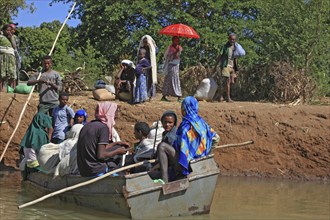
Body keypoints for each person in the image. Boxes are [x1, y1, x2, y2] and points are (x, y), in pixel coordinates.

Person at [158, 96, 219, 183]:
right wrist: (206, 154)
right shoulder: (202, 123)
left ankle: (165, 180)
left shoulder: (185, 125)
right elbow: (216, 138)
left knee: (162, 147)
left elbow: (179, 146)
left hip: (188, 164)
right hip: (199, 162)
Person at [77, 102, 129, 177]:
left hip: (83, 170)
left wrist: (115, 143)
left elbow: (96, 148)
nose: (116, 116)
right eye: (114, 112)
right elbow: (101, 155)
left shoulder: (88, 125)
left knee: (117, 147)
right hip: (94, 170)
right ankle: (113, 174)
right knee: (117, 156)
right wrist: (118, 151)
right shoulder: (103, 128)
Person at [214, 33, 239, 102]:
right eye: (231, 39)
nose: (232, 40)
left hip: (232, 67)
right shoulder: (225, 47)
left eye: (233, 39)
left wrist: (236, 69)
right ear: (228, 39)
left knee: (231, 82)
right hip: (225, 66)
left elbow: (235, 59)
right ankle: (228, 98)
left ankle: (220, 96)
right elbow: (219, 57)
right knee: (227, 82)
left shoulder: (235, 48)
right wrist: (215, 66)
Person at [161, 36, 183, 102]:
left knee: (175, 79)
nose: (177, 42)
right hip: (171, 65)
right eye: (175, 40)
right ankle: (166, 95)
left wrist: (179, 51)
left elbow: (179, 55)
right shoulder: (170, 48)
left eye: (177, 40)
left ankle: (178, 96)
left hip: (176, 64)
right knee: (170, 79)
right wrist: (175, 52)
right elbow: (168, 56)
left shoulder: (179, 47)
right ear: (172, 41)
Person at [137, 35, 157, 101]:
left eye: (146, 41)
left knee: (150, 80)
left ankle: (150, 95)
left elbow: (155, 53)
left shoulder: (152, 48)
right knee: (144, 81)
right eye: (144, 41)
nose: (145, 43)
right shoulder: (142, 48)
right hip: (143, 65)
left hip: (149, 65)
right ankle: (144, 95)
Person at [0, 25, 16, 92]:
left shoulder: (12, 37)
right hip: (2, 57)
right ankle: (1, 90)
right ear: (3, 30)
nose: (9, 32)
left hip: (11, 57)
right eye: (7, 30)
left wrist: (11, 38)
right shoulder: (1, 37)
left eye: (10, 30)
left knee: (11, 74)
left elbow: (14, 47)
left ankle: (10, 90)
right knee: (2, 74)